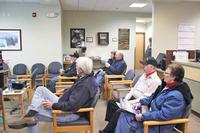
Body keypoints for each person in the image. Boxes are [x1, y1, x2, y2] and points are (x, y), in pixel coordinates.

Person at [8, 57, 99, 133]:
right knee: (40, 89)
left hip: (70, 113)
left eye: (77, 66)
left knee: (32, 114)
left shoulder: (85, 85)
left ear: (81, 69)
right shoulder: (85, 78)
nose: (75, 68)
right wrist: (67, 90)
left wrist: (53, 105)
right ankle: (31, 113)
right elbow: (78, 92)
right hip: (65, 102)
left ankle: (30, 115)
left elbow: (72, 105)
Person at [115, 64, 193, 133]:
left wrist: (143, 116)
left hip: (157, 125)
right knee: (124, 113)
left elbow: (164, 115)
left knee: (125, 117)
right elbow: (152, 97)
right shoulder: (167, 86)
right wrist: (140, 103)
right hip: (151, 115)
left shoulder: (176, 96)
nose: (163, 74)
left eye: (166, 73)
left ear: (173, 77)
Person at [99, 57, 161, 133]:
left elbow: (146, 98)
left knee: (120, 110)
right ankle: (113, 125)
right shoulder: (144, 75)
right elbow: (133, 89)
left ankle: (108, 130)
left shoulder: (156, 81)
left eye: (145, 65)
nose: (143, 66)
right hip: (131, 97)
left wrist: (130, 102)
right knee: (112, 103)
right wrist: (126, 99)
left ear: (151, 67)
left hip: (139, 102)